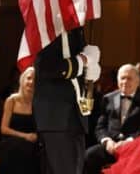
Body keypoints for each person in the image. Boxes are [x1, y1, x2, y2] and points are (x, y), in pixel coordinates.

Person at [33, 27, 101, 174]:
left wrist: (90, 68)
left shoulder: (75, 29)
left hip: (73, 115)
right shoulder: (49, 24)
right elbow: (46, 67)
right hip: (57, 116)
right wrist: (83, 60)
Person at [84, 63, 140, 174]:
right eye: (122, 78)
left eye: (129, 78)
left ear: (138, 81)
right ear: (117, 80)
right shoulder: (108, 98)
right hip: (111, 146)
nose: (125, 82)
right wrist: (107, 141)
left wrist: (129, 142)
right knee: (89, 156)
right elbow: (100, 126)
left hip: (135, 147)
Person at [0, 66, 39, 174]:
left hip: (32, 144)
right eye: (29, 78)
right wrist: (25, 136)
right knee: (18, 148)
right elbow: (4, 129)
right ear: (22, 80)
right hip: (12, 141)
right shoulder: (11, 100)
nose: (31, 82)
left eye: (34, 80)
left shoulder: (39, 103)